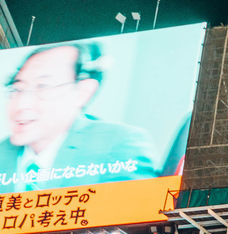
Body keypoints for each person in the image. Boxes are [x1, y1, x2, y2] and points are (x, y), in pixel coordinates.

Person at [0, 42, 158, 191]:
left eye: (43, 87)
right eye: (18, 89)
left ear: (83, 92)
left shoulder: (119, 144)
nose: (21, 104)